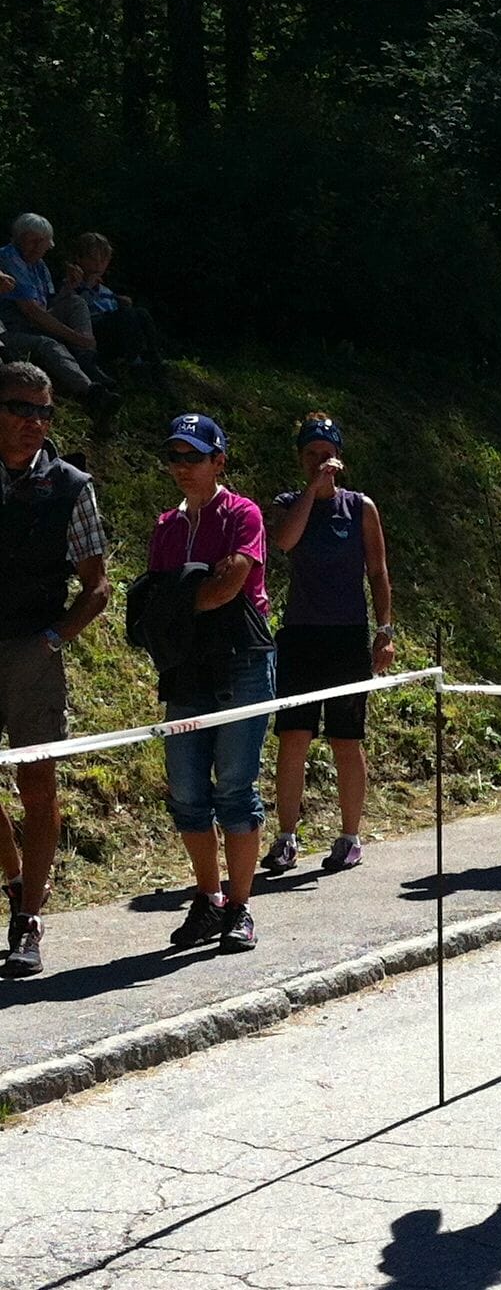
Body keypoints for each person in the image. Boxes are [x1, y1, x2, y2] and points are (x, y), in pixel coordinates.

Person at [143, 414, 276, 951]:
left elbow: (230, 586)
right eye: (175, 456)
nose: (182, 467)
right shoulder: (165, 526)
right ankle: (208, 899)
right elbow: (155, 598)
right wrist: (188, 596)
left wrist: (180, 601)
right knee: (188, 791)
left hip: (241, 660)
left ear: (219, 460)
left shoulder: (243, 512)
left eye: (193, 457)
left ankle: (242, 907)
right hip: (185, 666)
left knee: (235, 789)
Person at [0, 363, 111, 977]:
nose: (33, 424)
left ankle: (28, 921)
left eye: (44, 414)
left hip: (33, 656)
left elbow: (97, 589)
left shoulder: (72, 486)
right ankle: (16, 879)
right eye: (20, 409)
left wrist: (52, 639)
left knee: (38, 788)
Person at [262, 414, 396, 874]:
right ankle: (286, 836)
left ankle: (350, 835)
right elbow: (284, 542)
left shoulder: (361, 508)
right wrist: (311, 493)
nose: (322, 463)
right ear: (302, 460)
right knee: (293, 736)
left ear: (340, 459)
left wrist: (385, 630)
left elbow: (377, 572)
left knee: (346, 737)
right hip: (300, 635)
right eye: (312, 456)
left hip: (346, 638)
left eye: (328, 455)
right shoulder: (287, 503)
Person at [0, 214, 119, 423]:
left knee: (76, 302)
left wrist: (68, 287)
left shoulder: (39, 266)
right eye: (32, 241)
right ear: (18, 238)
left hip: (33, 323)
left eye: (42, 243)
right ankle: (90, 391)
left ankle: (87, 360)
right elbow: (32, 313)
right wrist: (77, 338)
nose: (37, 247)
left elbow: (49, 305)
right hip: (12, 330)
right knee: (47, 344)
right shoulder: (9, 260)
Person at [67, 232, 164, 376]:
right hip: (92, 331)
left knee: (140, 313)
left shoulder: (105, 289)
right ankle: (132, 362)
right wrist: (85, 283)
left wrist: (120, 303)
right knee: (125, 315)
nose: (98, 265)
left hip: (113, 327)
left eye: (103, 260)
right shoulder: (71, 284)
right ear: (79, 258)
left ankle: (153, 357)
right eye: (93, 259)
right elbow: (72, 304)